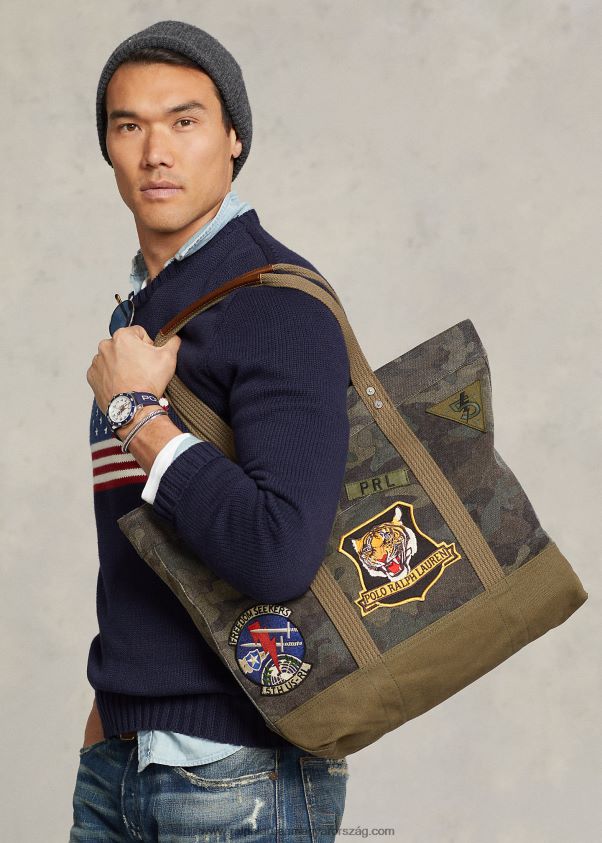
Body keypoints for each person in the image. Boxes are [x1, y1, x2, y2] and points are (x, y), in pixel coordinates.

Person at [68, 19, 351, 843]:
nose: (156, 152)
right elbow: (144, 555)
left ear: (233, 138)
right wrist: (113, 716)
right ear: (109, 147)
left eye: (184, 121)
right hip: (123, 760)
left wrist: (136, 416)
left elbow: (277, 552)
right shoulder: (147, 312)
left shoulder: (273, 302)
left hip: (237, 771)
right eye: (129, 125)